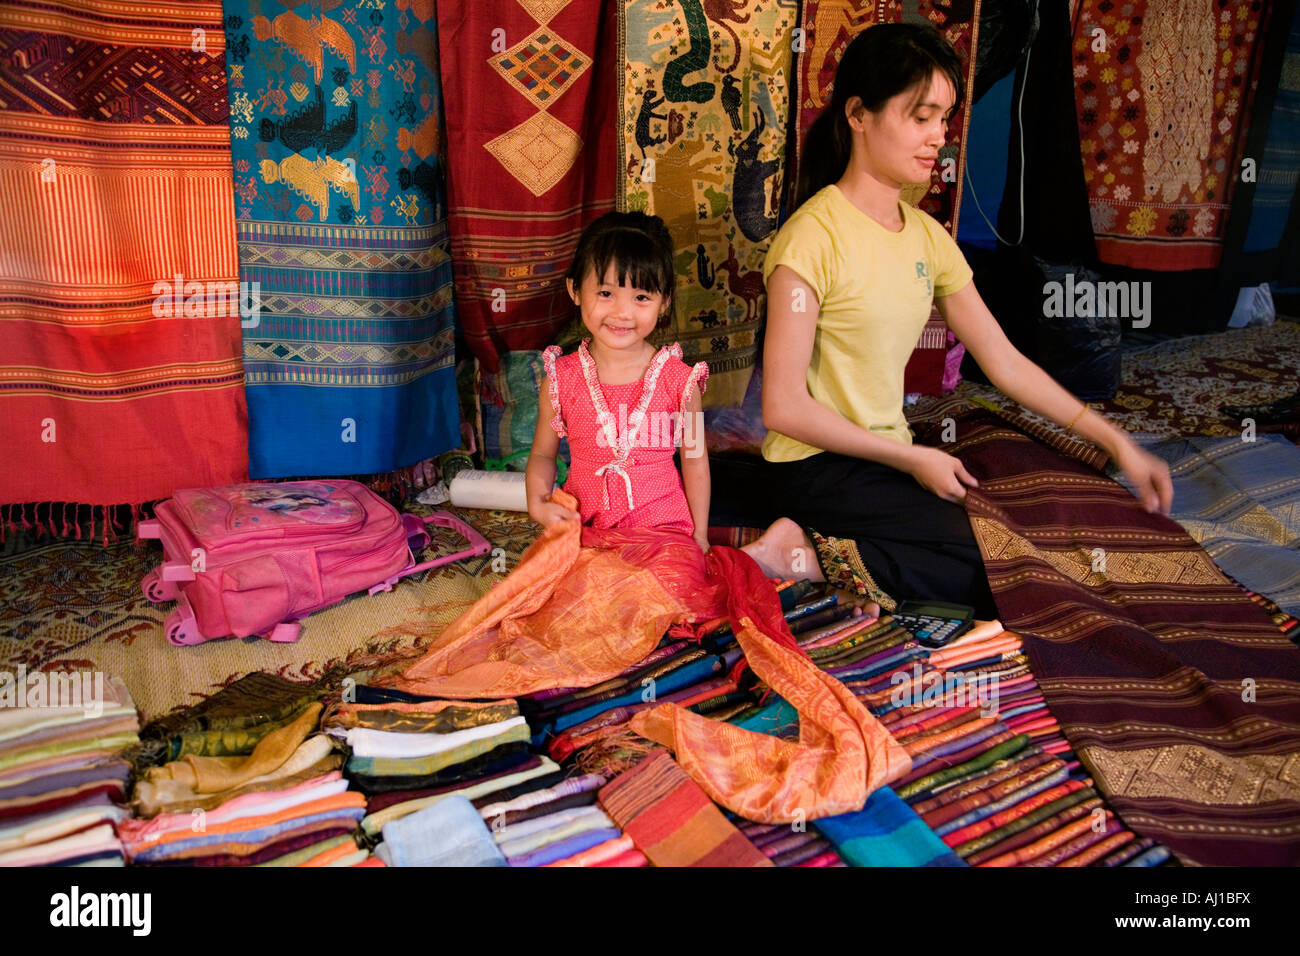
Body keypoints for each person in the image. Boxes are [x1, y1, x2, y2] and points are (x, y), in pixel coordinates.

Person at [733, 22, 1173, 617]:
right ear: (859, 114)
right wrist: (914, 458)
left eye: (944, 119)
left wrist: (1116, 443)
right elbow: (782, 408)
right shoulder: (811, 238)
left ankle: (823, 552)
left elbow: (1007, 363)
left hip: (885, 458)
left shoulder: (925, 237)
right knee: (1005, 570)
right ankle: (804, 552)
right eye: (922, 117)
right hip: (817, 466)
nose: (938, 138)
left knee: (1022, 551)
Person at [525, 211, 711, 554]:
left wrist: (699, 535)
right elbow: (541, 453)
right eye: (606, 293)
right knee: (574, 594)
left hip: (663, 533)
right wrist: (538, 504)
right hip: (585, 531)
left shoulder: (680, 381)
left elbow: (696, 459)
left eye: (641, 297)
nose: (623, 312)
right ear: (575, 289)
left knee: (660, 597)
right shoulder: (561, 379)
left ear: (664, 301)